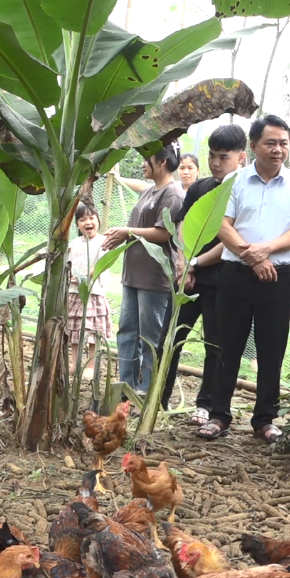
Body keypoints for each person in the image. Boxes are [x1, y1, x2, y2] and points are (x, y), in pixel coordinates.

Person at [199, 115, 290, 443]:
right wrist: (252, 256)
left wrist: (266, 251)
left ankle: (264, 419)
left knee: (271, 348)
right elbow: (222, 224)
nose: (278, 149)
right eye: (270, 143)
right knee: (226, 346)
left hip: (278, 277)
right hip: (234, 275)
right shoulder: (233, 181)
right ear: (253, 145)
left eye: (283, 143)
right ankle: (219, 415)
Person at [160, 125, 249, 423]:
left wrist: (195, 264)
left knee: (214, 343)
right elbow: (183, 224)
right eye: (212, 155)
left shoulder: (242, 191)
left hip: (221, 280)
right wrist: (183, 263)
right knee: (169, 339)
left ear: (241, 158)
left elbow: (231, 239)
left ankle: (206, 405)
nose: (215, 162)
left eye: (223, 157)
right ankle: (158, 399)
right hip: (187, 280)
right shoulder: (200, 187)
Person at [102, 144, 186, 395]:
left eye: (146, 159)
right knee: (127, 331)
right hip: (133, 274)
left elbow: (163, 233)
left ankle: (146, 390)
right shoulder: (150, 190)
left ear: (162, 162)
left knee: (151, 337)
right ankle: (125, 387)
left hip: (154, 277)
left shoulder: (173, 194)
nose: (142, 164)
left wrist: (126, 231)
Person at [67, 201, 114, 374]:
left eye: (91, 218)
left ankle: (92, 367)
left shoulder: (104, 242)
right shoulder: (73, 243)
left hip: (94, 294)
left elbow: (101, 264)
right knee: (74, 331)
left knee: (93, 334)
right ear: (77, 225)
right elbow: (68, 263)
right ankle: (75, 364)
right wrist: (70, 278)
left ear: (98, 220)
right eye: (82, 219)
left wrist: (83, 277)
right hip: (74, 294)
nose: (88, 222)